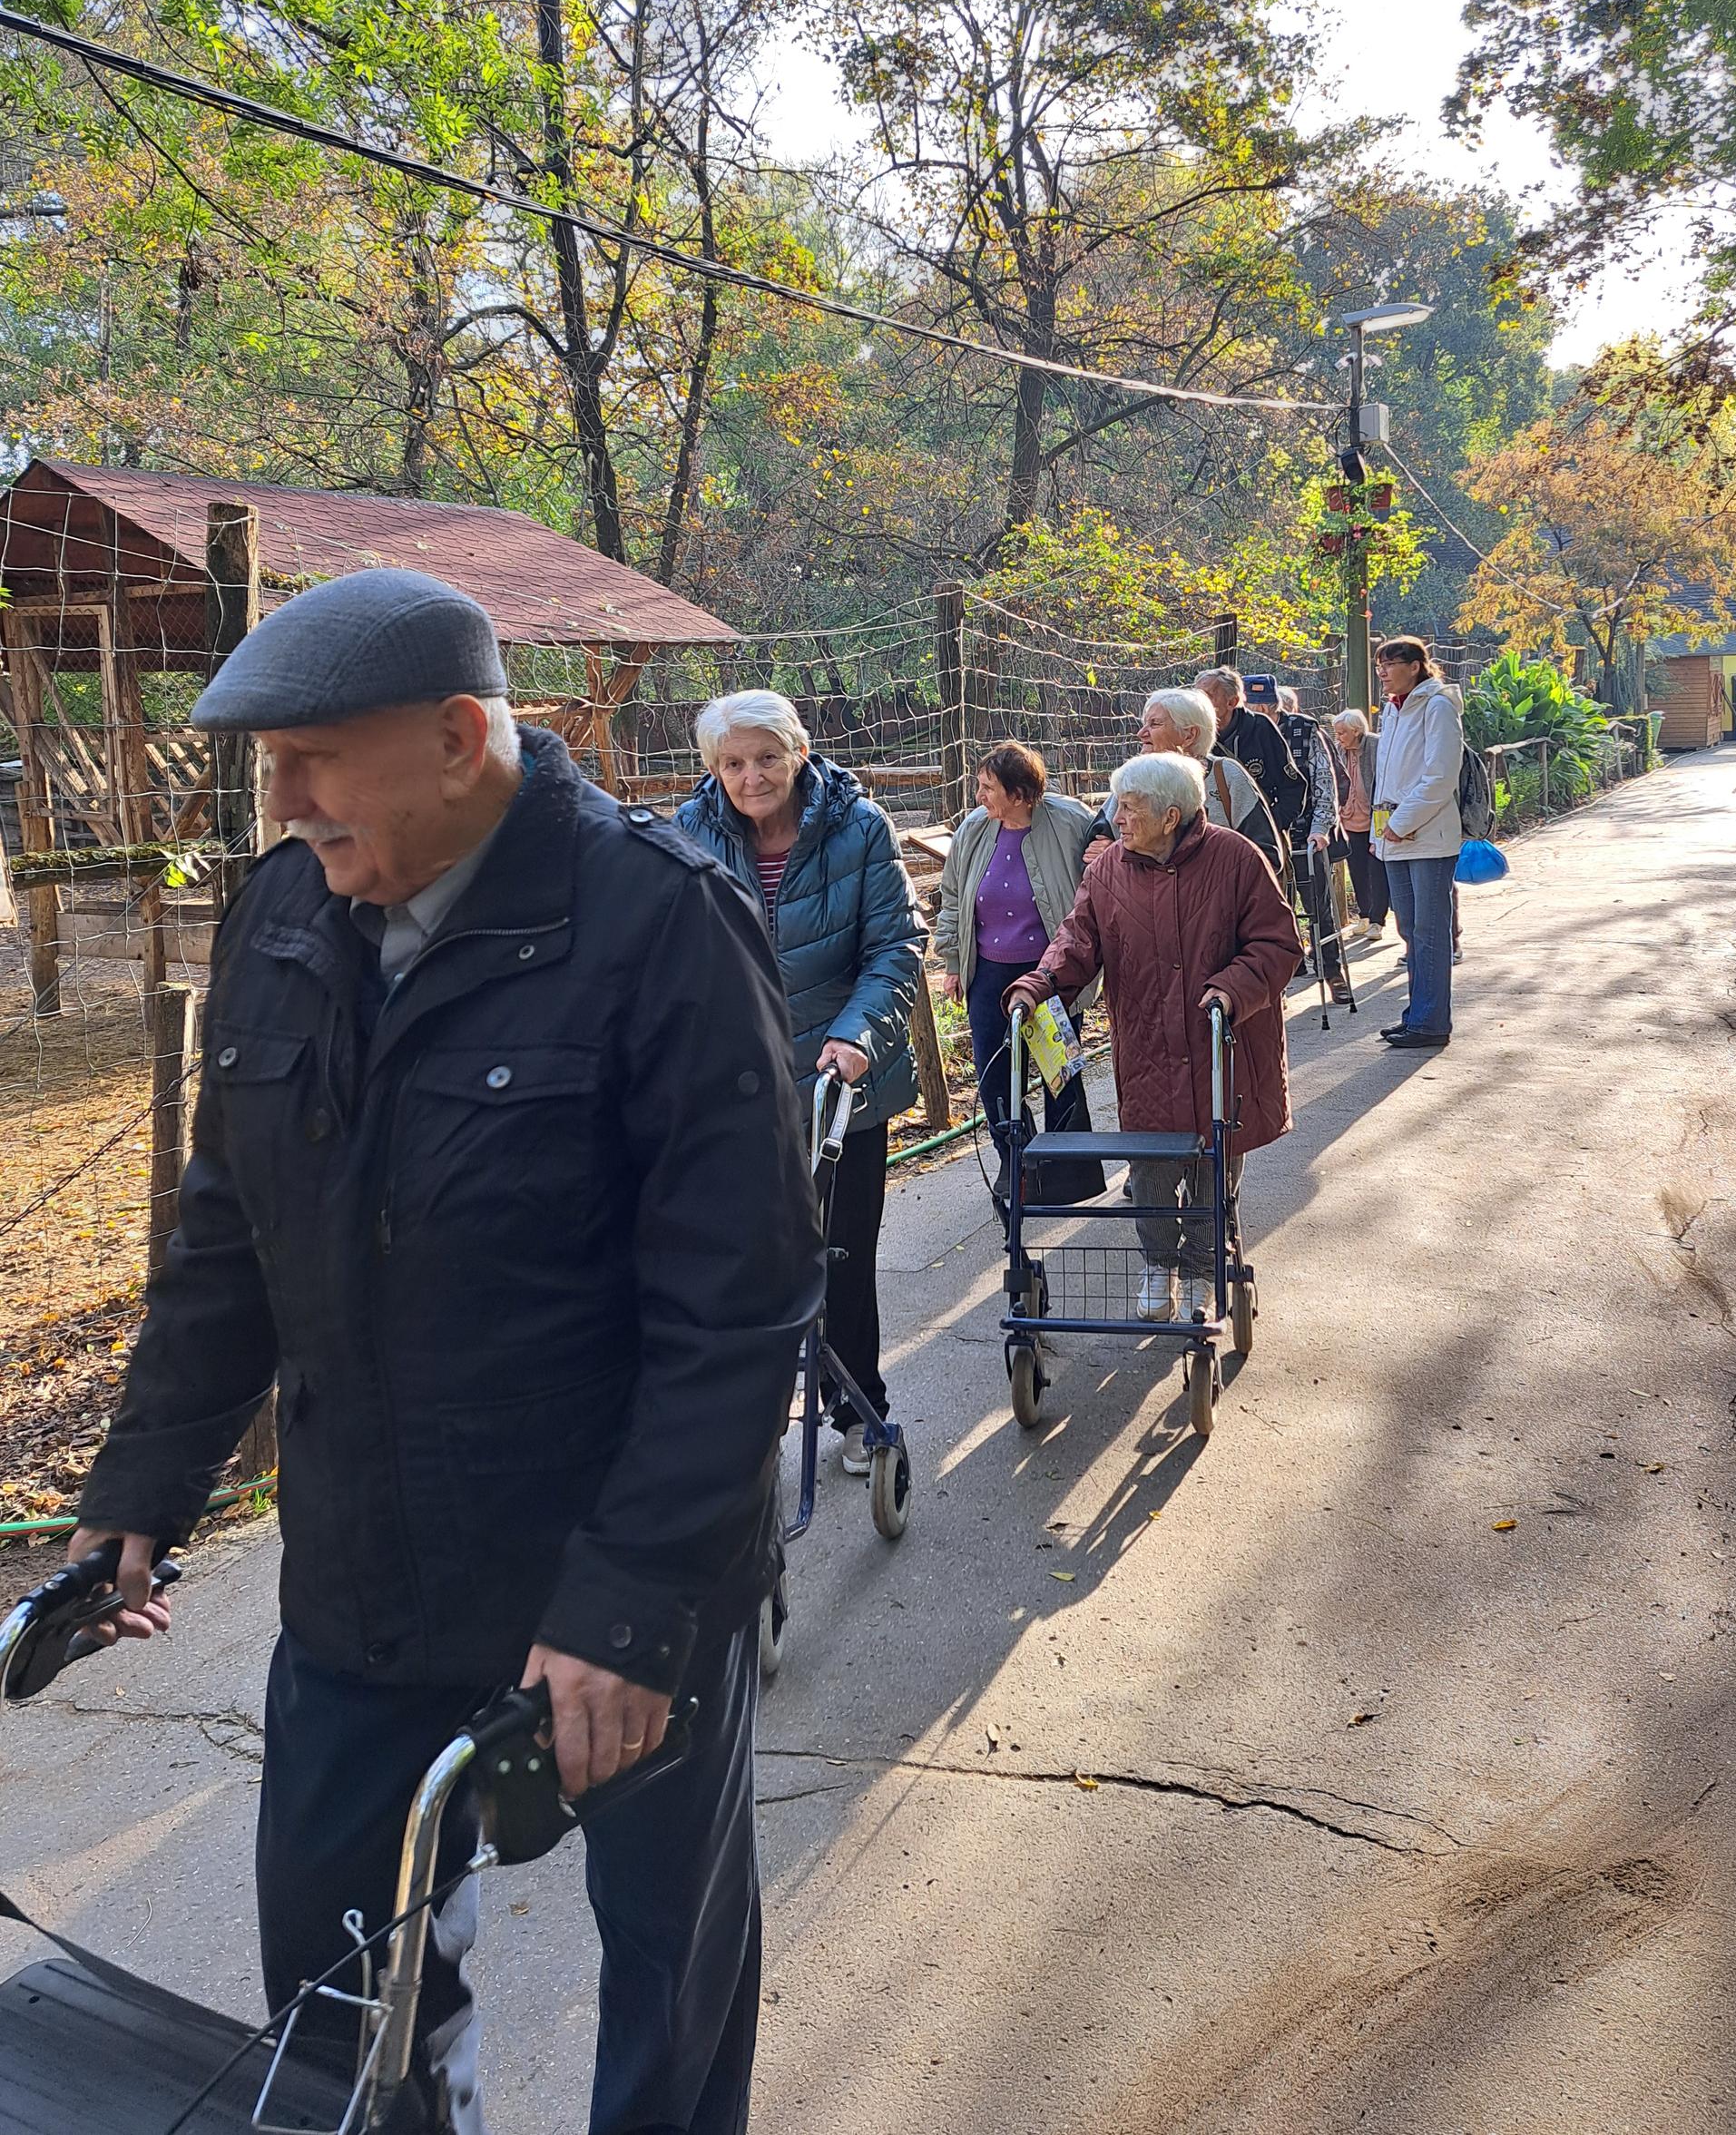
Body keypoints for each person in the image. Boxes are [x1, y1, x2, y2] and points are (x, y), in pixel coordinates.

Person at [69, 568, 820, 2135]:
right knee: (340, 2007)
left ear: (461, 738)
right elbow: (229, 1236)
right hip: (363, 1577)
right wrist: (142, 1483)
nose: (279, 799)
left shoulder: (661, 924)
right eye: (271, 763)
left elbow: (735, 1309)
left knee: (666, 1991)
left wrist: (625, 1611)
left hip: (619, 1582)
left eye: (312, 758)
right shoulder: (284, 913)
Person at [679, 691, 923, 1478]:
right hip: (739, 1094)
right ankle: (751, 1413)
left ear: (799, 753)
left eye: (767, 758)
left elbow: (895, 947)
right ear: (714, 768)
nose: (751, 777)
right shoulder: (691, 834)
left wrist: (856, 1036)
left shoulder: (860, 829)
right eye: (733, 763)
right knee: (748, 1260)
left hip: (841, 1091)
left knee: (841, 1258)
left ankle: (857, 1407)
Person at [1004, 751, 1300, 1324]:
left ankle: (1202, 1269)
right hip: (1147, 1046)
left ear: (1172, 815)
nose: (1116, 818)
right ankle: (1158, 1262)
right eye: (1116, 805)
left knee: (1215, 1163)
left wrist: (1232, 989)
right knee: (1149, 1167)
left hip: (1221, 1044)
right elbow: (1077, 940)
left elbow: (1279, 944)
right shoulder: (1108, 868)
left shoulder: (1237, 859)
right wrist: (1039, 984)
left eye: (1130, 808)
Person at [933, 740, 1097, 1191]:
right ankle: (1018, 1164)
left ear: (1021, 794)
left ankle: (1069, 1176)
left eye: (989, 788)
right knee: (996, 1079)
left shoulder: (1070, 821)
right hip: (988, 974)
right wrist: (952, 961)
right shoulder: (973, 829)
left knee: (1058, 1075)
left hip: (1049, 975)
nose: (980, 796)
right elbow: (953, 898)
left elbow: (1103, 875)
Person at [1370, 634, 1465, 1051]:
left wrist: (1403, 821)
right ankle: (1418, 1014)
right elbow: (1386, 776)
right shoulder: (1392, 711)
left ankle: (1430, 1022)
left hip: (1428, 836)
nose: (1384, 674)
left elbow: (1441, 775)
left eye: (1390, 665)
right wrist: (1381, 832)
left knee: (1429, 930)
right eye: (1379, 667)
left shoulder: (1437, 705)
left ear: (1415, 665)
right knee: (1409, 927)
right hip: (1393, 835)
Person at [1133, 686, 1284, 877]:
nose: (1141, 733)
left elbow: (1266, 855)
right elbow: (1101, 834)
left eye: (1154, 724)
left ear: (1189, 735)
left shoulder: (1227, 775)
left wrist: (1211, 882)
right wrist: (1103, 843)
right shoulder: (1135, 778)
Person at [1254, 682, 1343, 991]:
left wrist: (1321, 828)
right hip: (1262, 836)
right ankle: (1289, 967)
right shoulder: (1243, 734)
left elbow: (1323, 782)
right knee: (1275, 909)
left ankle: (1331, 969)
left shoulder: (1305, 731)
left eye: (1259, 705)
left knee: (1318, 906)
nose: (1254, 712)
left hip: (1305, 834)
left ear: (1271, 706)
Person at [1195, 664, 1305, 836]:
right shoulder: (1191, 733)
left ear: (1232, 702)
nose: (1198, 702)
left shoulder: (1260, 728)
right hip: (1209, 843)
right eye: (1196, 695)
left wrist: (1269, 826)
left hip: (1258, 842)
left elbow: (1293, 787)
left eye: (1208, 696)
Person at [1331, 706, 1388, 940]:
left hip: (1375, 818)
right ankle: (1364, 916)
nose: (1339, 737)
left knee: (1377, 870)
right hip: (1349, 820)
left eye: (1343, 732)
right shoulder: (1338, 750)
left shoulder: (1375, 745)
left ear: (1356, 730)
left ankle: (1378, 921)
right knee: (1357, 870)